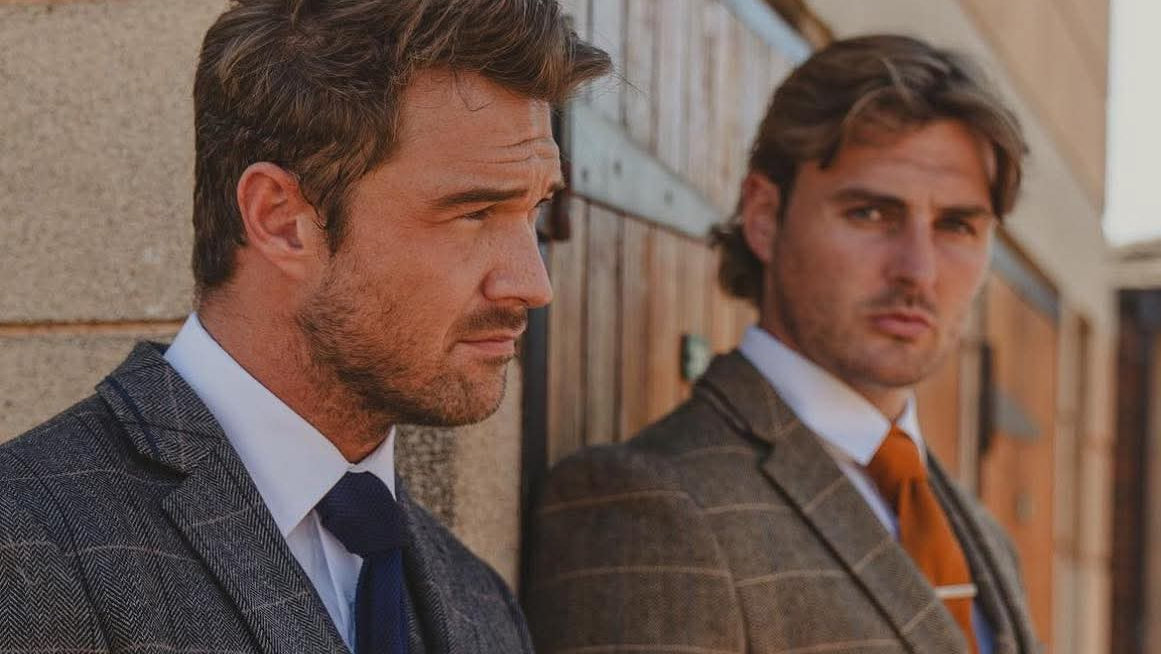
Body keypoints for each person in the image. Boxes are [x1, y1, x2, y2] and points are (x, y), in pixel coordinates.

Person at [0, 0, 608, 651]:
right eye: (474, 213)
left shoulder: (479, 600)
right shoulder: (27, 546)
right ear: (281, 219)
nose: (532, 283)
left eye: (534, 212)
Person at [526, 35, 1039, 654]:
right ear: (765, 216)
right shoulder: (651, 508)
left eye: (957, 225)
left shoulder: (984, 536)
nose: (919, 271)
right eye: (872, 214)